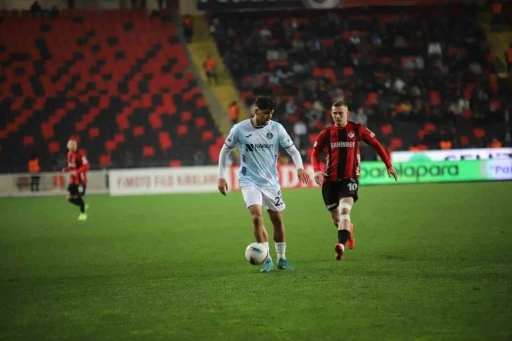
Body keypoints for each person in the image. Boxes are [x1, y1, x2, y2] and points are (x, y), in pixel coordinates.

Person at [217, 96, 310, 272]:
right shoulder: (239, 129)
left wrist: (300, 168)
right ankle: (266, 258)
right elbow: (224, 150)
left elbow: (292, 150)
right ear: (256, 111)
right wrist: (221, 176)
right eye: (266, 113)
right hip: (249, 180)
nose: (269, 117)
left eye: (271, 113)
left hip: (271, 182)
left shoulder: (277, 129)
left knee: (276, 219)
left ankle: (282, 258)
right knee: (256, 218)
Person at [311, 101, 398, 261]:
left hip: (349, 178)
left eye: (340, 113)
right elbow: (315, 153)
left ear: (347, 113)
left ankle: (340, 245)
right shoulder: (326, 133)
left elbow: (376, 145)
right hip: (330, 181)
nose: (337, 116)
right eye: (334, 113)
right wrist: (316, 170)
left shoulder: (357, 129)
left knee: (345, 211)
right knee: (336, 218)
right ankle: (348, 232)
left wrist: (388, 164)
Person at [62, 139, 90, 221]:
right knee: (69, 198)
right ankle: (83, 206)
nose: (73, 146)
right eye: (71, 144)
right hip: (73, 180)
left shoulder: (80, 154)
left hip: (80, 180)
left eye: (74, 144)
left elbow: (86, 166)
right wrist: (66, 169)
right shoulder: (69, 154)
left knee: (78, 197)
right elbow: (72, 166)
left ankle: (83, 214)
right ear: (68, 146)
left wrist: (77, 172)